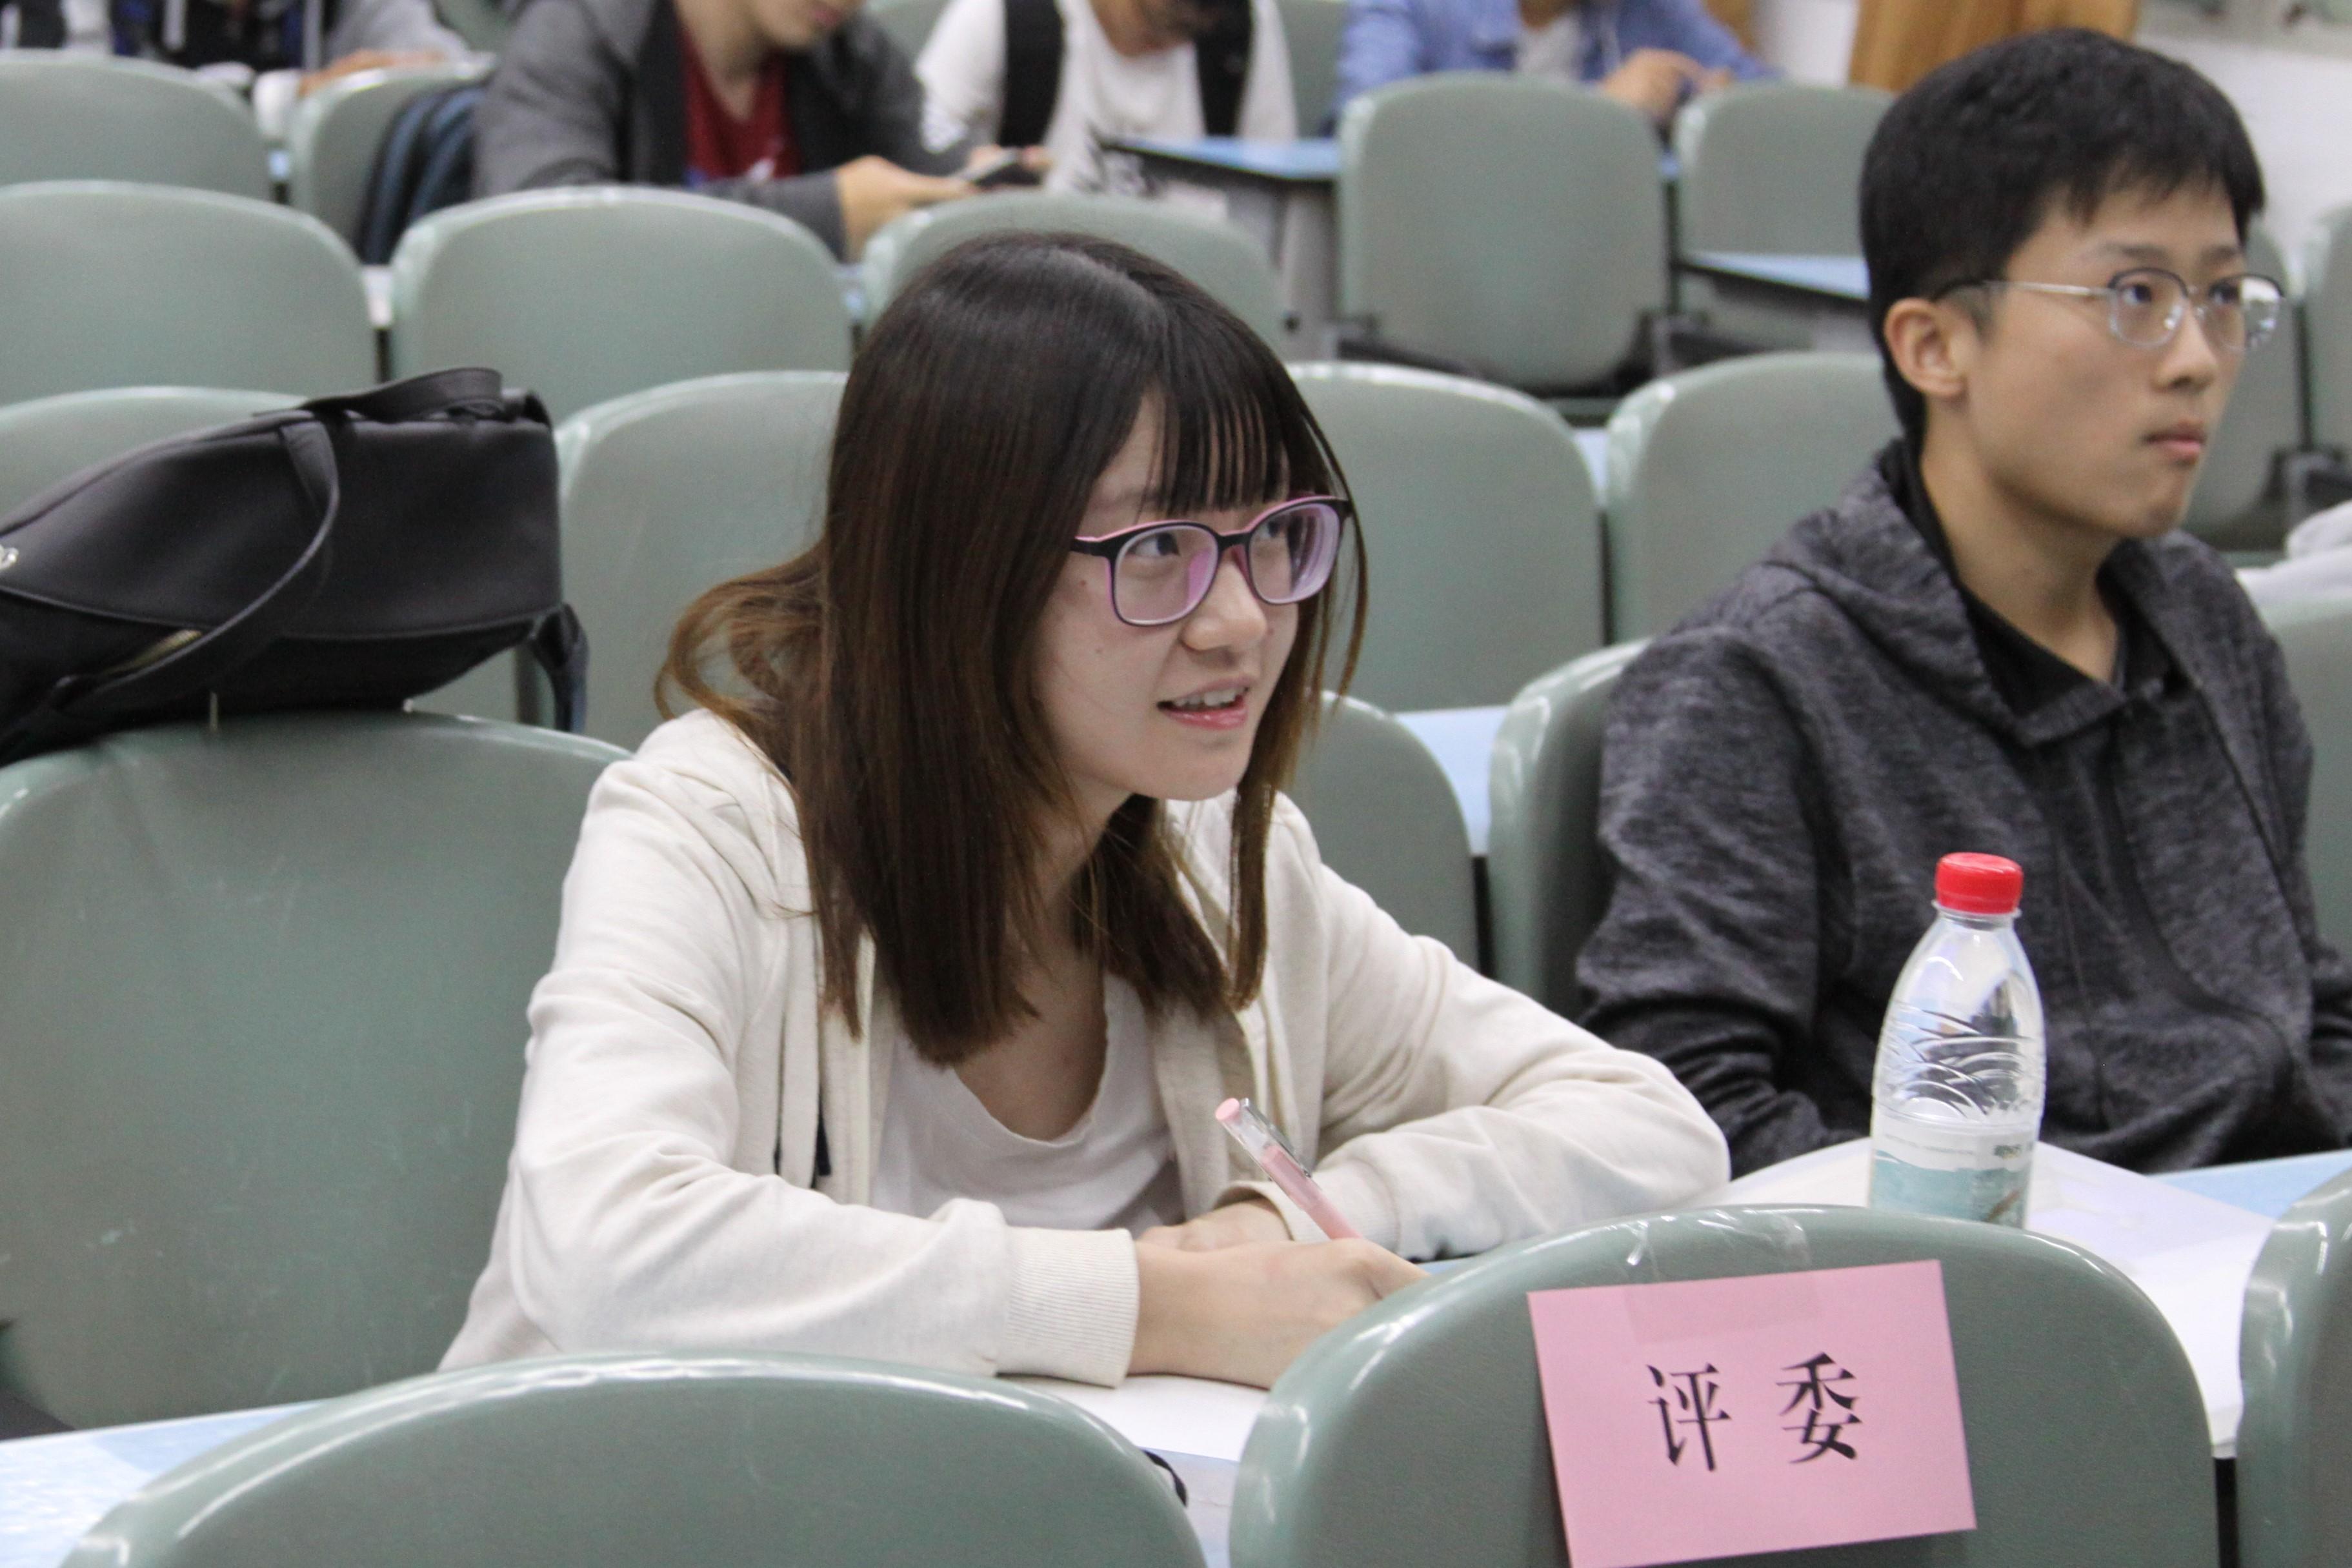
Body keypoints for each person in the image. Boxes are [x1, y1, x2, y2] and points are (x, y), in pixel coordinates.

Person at [442, 234, 1727, 1387]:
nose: (1240, 620)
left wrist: (1282, 1218)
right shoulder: (710, 827)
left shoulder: (1221, 860)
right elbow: (606, 1249)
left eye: (1272, 535)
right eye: (1155, 549)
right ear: (961, 570)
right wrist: (1159, 1305)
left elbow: (1647, 1128)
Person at [1576, 28, 2352, 1179]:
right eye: (2136, 295)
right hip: (1998, 1268)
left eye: (2225, 296)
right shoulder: (1759, 681)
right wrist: (2011, 1232)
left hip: (2273, 1237)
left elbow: (2308, 1004)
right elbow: (1694, 1115)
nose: (2197, 357)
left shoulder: (2205, 616)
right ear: (1934, 345)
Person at [474, 0, 996, 257]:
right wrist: (821, 215)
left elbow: (943, 166)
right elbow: (538, 237)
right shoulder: (579, 27)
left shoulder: (847, 48)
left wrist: (994, 182)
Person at [916, 0, 1294, 196]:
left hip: (1199, 290)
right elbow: (916, 145)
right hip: (1036, 288)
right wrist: (973, 170)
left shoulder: (1243, 23)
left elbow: (1278, 195)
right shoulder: (1010, 13)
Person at [1333, 0, 1769, 128]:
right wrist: (1598, 108)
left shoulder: (1650, 11)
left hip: (1601, 258)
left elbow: (1768, 97)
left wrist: (1719, 109)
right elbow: (1366, 125)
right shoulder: (1416, 8)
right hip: (1450, 250)